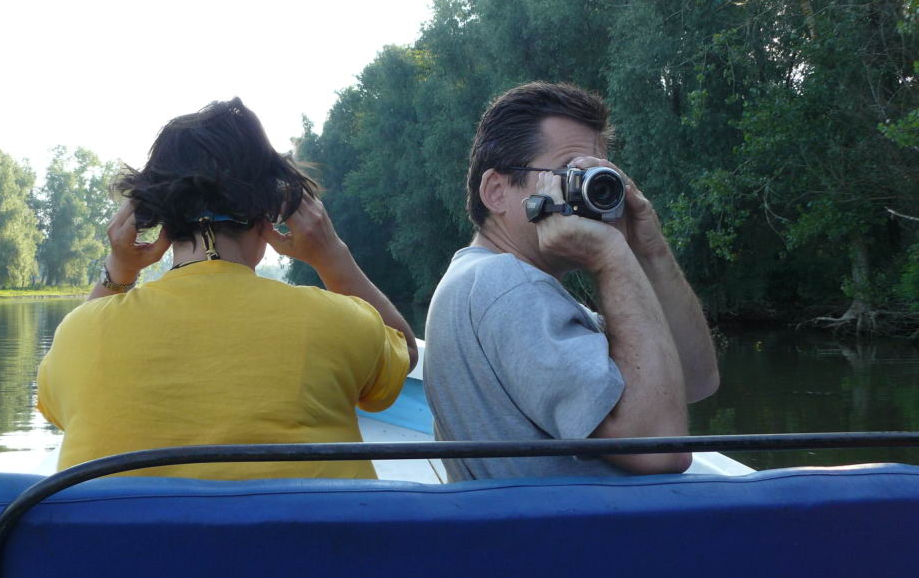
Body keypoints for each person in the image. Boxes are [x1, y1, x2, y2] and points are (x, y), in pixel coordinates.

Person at [37, 97, 418, 480]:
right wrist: (333, 257)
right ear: (272, 208)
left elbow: (59, 408)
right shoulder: (341, 322)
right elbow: (405, 355)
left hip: (132, 542)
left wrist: (118, 271)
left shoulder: (78, 336)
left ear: (155, 214)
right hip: (312, 541)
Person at [423, 81, 720, 481]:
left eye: (596, 176)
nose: (586, 194)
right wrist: (611, 257)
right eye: (567, 173)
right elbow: (659, 448)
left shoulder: (490, 281)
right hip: (578, 538)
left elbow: (695, 380)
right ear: (496, 191)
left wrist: (649, 250)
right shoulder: (505, 283)